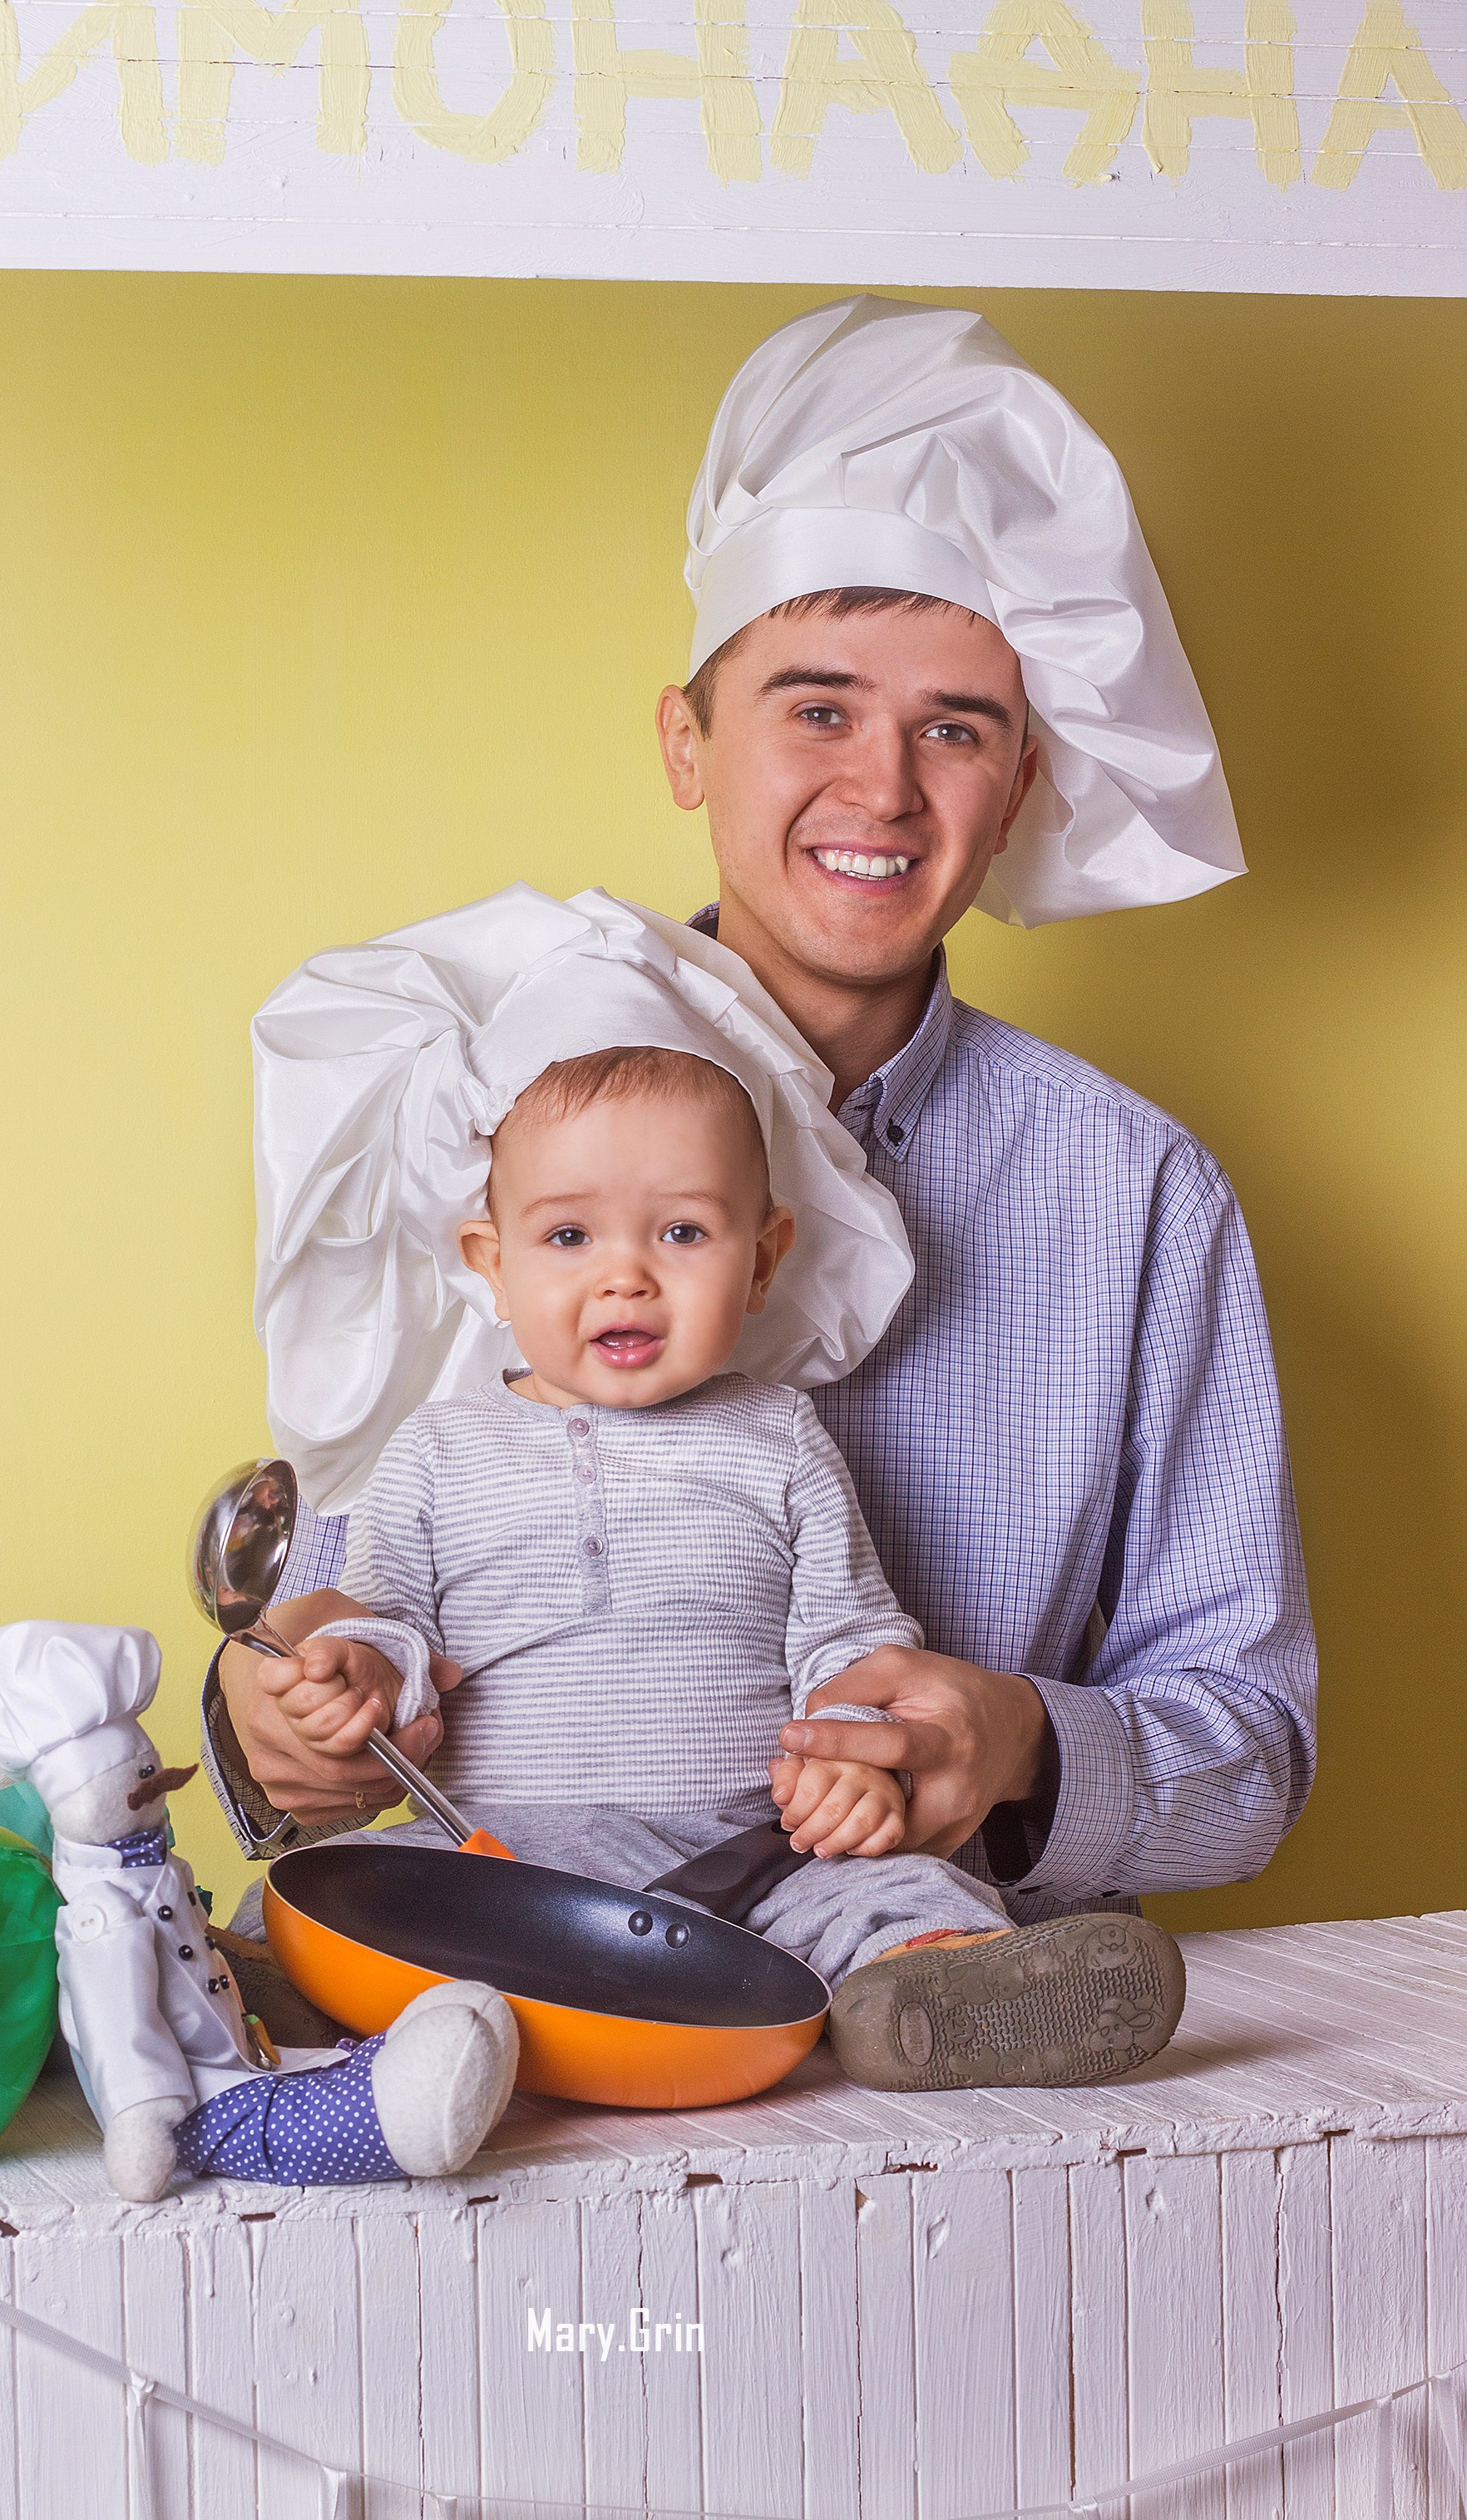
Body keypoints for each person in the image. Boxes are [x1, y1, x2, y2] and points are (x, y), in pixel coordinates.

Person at [204, 296, 1315, 1964]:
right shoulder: (484, 1102)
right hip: (535, 1987)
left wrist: (1015, 1743)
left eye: (957, 726)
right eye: (815, 706)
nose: (882, 788)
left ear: (1019, 787)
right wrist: (280, 1714)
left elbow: (1253, 1751)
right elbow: (356, 1622)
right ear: (685, 741)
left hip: (938, 2045)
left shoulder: (1136, 1192)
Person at [224, 889, 1186, 2088]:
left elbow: (850, 1638)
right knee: (323, 1900)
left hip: (751, 1852)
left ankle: (940, 1989)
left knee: (894, 1886)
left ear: (766, 1255)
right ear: (491, 1263)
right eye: (569, 1239)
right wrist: (358, 1670)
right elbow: (386, 1621)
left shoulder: (778, 1440)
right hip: (503, 1864)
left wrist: (858, 1757)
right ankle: (263, 1992)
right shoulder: (437, 1450)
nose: (626, 1278)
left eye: (682, 1234)